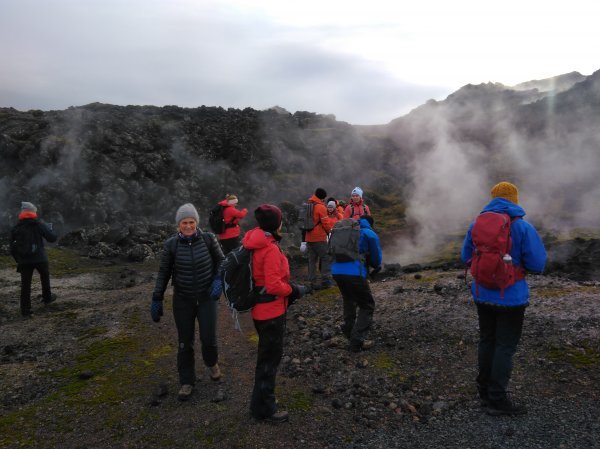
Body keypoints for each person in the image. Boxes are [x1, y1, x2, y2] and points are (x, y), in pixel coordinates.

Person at [461, 182, 547, 416]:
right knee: (504, 346)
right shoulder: (522, 227)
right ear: (514, 200)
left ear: (494, 198)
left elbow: (465, 256)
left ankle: (484, 391)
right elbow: (538, 263)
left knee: (487, 340)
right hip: (511, 298)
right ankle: (497, 400)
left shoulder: (476, 223)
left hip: (481, 294)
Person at [150, 203, 225, 401]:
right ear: (178, 224)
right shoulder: (171, 245)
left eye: (192, 222)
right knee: (185, 342)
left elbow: (222, 262)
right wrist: (157, 297)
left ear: (197, 223)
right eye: (184, 222)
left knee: (208, 338)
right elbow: (163, 273)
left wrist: (218, 280)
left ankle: (212, 363)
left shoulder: (209, 239)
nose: (189, 226)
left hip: (207, 297)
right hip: (183, 299)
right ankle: (186, 381)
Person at [243, 204, 308, 423]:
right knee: (269, 361)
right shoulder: (269, 249)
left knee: (265, 359)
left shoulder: (257, 242)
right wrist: (294, 290)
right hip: (270, 312)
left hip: (261, 311)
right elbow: (272, 285)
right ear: (275, 224)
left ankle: (258, 403)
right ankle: (266, 409)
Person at [331, 215, 382, 352]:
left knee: (349, 299)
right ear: (370, 223)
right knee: (367, 305)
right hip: (354, 273)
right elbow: (377, 260)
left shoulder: (344, 229)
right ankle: (357, 340)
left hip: (336, 271)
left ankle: (349, 331)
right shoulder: (369, 233)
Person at [10, 202, 58, 317]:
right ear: (33, 212)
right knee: (44, 276)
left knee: (25, 285)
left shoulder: (16, 227)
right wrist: (49, 229)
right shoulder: (38, 224)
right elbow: (52, 238)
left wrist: (19, 260)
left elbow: (12, 247)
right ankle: (47, 298)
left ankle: (25, 311)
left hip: (24, 261)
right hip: (40, 258)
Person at [305, 188, 333, 290]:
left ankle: (311, 282)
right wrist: (330, 232)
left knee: (312, 260)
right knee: (326, 257)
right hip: (319, 238)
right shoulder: (320, 207)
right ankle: (325, 281)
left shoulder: (308, 204)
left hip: (308, 237)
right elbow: (325, 223)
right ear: (323, 197)